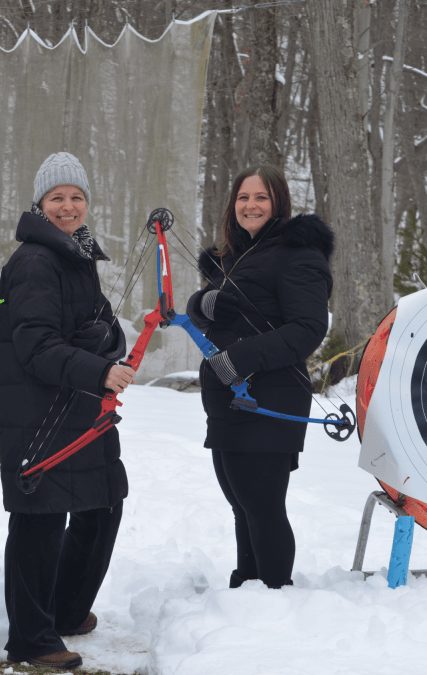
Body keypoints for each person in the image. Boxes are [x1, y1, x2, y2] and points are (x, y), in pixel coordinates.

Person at [0, 152, 134, 670]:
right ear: (41, 203)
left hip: (76, 409)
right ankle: (30, 640)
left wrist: (108, 342)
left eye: (77, 197)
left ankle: (68, 611)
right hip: (38, 413)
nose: (68, 206)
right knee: (41, 519)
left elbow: (99, 328)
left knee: (103, 503)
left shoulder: (76, 257)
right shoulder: (35, 261)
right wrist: (97, 370)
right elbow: (35, 347)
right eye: (58, 198)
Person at [186, 164, 334, 590]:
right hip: (230, 401)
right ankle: (247, 586)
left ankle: (272, 594)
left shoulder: (298, 253)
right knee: (242, 505)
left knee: (263, 506)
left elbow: (308, 328)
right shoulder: (236, 255)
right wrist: (202, 303)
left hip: (269, 398)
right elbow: (220, 311)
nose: (250, 205)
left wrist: (240, 360)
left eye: (261, 197)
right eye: (243, 197)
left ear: (279, 203)